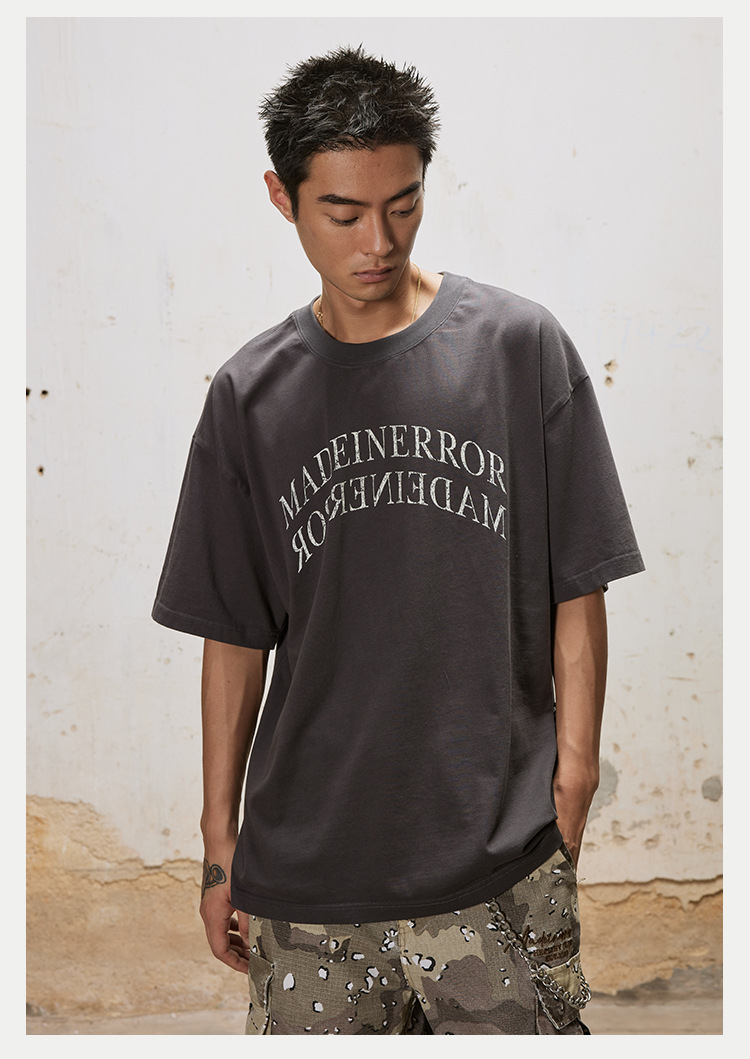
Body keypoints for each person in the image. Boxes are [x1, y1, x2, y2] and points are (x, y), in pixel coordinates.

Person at [152, 45, 644, 1035]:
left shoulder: (519, 348)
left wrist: (575, 774)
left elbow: (578, 582)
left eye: (403, 204)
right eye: (342, 213)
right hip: (309, 880)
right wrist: (218, 842)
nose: (377, 240)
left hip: (497, 859)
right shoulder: (250, 396)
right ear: (282, 198)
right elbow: (235, 634)